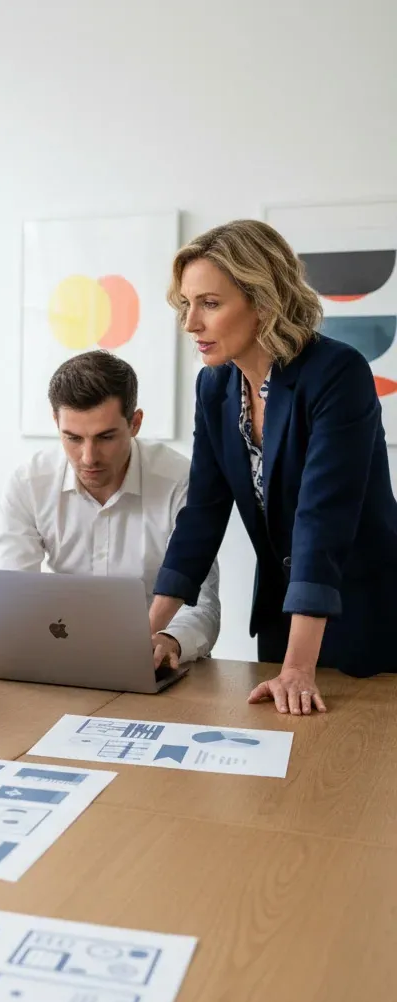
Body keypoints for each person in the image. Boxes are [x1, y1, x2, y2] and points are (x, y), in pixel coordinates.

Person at [150, 219, 397, 715]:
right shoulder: (214, 387)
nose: (190, 323)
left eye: (210, 304)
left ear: (264, 302)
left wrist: (300, 666)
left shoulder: (337, 373)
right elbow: (201, 515)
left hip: (364, 614)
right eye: (186, 304)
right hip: (283, 619)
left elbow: (321, 520)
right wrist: (142, 633)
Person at [0, 350, 220, 667]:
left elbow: (202, 603)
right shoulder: (29, 483)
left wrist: (171, 640)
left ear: (135, 423)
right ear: (55, 421)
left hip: (155, 662)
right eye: (72, 437)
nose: (88, 457)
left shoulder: (180, 482)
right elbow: (10, 593)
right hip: (61, 657)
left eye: (106, 437)